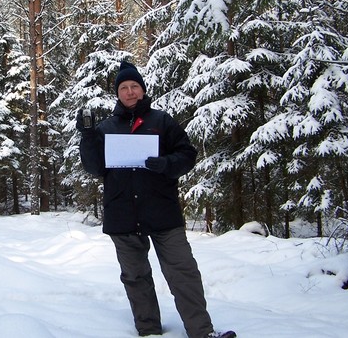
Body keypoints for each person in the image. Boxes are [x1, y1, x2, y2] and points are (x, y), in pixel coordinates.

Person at [76, 60, 235, 338]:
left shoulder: (162, 121)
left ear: (143, 89)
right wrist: (88, 136)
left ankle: (202, 332)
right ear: (117, 93)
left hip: (163, 212)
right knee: (136, 277)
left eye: (134, 86)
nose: (129, 91)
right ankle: (149, 331)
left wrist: (166, 164)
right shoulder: (105, 127)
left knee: (183, 273)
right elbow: (95, 168)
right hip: (123, 214)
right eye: (124, 87)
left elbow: (187, 155)